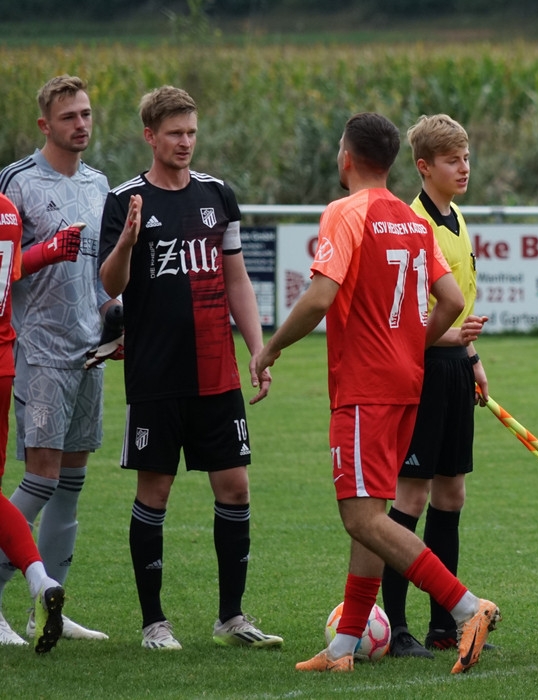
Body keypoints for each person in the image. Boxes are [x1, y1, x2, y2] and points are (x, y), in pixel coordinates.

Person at [250, 112, 500, 675]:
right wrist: (412, 344)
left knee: (361, 517)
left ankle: (467, 607)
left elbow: (320, 297)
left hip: (364, 386)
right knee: (373, 514)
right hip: (406, 383)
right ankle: (343, 648)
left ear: (346, 158)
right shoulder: (412, 221)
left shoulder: (346, 212)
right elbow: (451, 300)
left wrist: (271, 348)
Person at [98, 85, 282, 652]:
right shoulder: (124, 201)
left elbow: (236, 278)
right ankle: (154, 623)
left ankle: (232, 617)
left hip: (216, 370)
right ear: (150, 136)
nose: (185, 142)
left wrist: (257, 348)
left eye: (191, 132)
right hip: (155, 374)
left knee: (235, 486)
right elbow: (110, 285)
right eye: (174, 133)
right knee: (155, 491)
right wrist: (128, 241)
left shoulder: (217, 195)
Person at [0, 74, 114, 644]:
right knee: (40, 479)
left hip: (90, 352)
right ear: (45, 124)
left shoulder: (100, 184)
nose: (81, 125)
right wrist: (44, 252)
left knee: (71, 482)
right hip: (38, 349)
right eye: (69, 117)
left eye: (86, 114)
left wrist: (115, 319)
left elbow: (103, 272)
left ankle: (48, 608)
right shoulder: (17, 181)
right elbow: (4, 268)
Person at [381, 114, 489, 658]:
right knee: (411, 496)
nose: (463, 168)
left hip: (453, 370)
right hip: (421, 371)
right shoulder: (411, 223)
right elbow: (406, 320)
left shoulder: (457, 218)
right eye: (452, 160)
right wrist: (452, 340)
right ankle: (397, 626)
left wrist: (471, 358)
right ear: (424, 167)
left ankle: (445, 624)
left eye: (466, 158)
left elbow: (458, 310)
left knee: (451, 493)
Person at [0, 191, 66, 654]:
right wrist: (50, 250)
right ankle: (40, 577)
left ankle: (38, 577)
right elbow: (15, 270)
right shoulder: (6, 209)